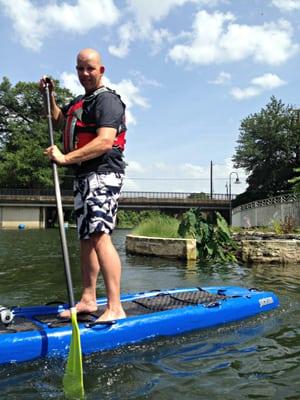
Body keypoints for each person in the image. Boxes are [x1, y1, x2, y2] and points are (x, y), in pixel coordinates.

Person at [39, 48, 127, 322]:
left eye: (90, 68)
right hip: (83, 176)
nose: (85, 74)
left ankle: (115, 306)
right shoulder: (80, 102)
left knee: (100, 234)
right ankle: (88, 300)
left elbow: (103, 141)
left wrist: (64, 158)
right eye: (80, 69)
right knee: (86, 239)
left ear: (101, 70)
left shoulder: (107, 101)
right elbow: (55, 118)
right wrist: (49, 95)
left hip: (102, 174)